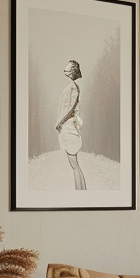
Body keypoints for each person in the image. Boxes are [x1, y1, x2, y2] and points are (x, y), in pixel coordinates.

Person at [55, 60, 86, 190]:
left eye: (68, 67)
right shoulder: (73, 86)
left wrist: (60, 123)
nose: (66, 69)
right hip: (70, 129)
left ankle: (81, 191)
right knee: (75, 165)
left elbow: (70, 108)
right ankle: (81, 190)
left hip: (70, 130)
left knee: (74, 165)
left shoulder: (73, 87)